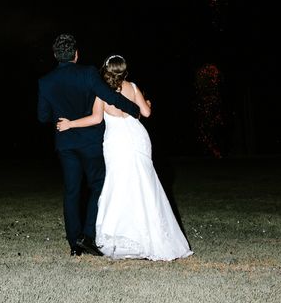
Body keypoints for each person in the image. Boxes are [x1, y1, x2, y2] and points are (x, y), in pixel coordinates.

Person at [56, 55, 193, 261]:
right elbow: (146, 113)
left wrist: (70, 124)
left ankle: (120, 235)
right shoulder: (134, 87)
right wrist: (147, 102)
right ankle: (152, 236)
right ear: (124, 71)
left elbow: (95, 118)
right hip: (137, 137)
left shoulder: (101, 91)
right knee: (144, 183)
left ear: (106, 69)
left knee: (119, 184)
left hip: (117, 141)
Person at [37, 34, 141, 257]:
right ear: (76, 54)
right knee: (98, 185)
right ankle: (87, 234)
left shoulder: (45, 82)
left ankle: (75, 244)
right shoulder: (88, 73)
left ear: (56, 55)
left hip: (66, 143)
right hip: (91, 142)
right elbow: (110, 97)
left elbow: (42, 116)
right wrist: (134, 110)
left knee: (72, 191)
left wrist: (60, 117)